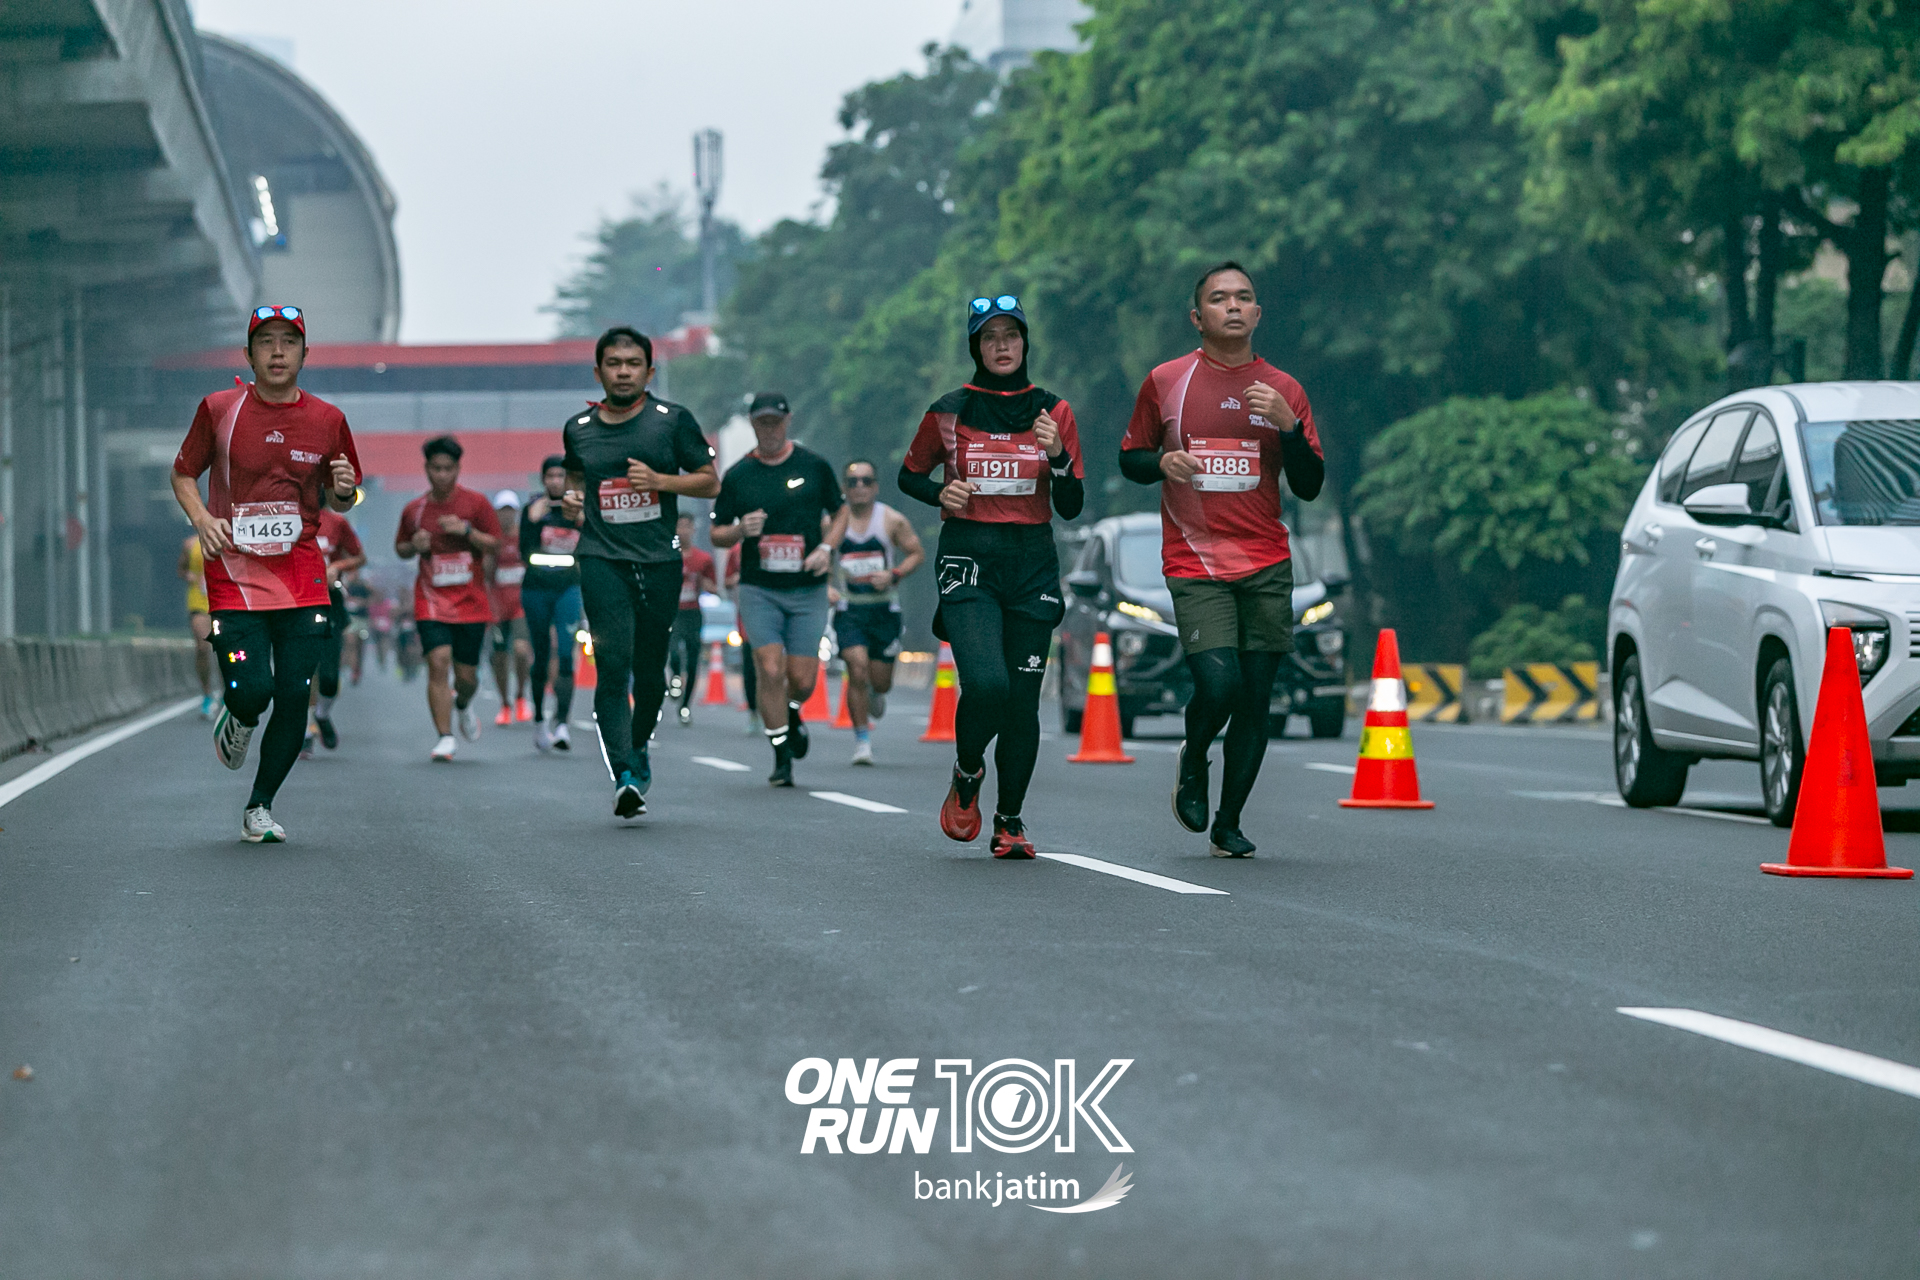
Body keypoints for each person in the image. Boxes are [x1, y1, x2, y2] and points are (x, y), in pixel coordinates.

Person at [1119, 261, 1325, 858]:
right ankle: (1195, 753)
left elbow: (1310, 485)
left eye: (1243, 297)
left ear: (1257, 314)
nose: (1232, 306)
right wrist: (1162, 462)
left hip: (1266, 561)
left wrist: (1289, 429)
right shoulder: (1166, 381)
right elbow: (1131, 457)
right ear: (1197, 317)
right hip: (1196, 561)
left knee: (1256, 698)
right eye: (1219, 298)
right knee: (1220, 682)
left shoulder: (1285, 391)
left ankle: (1228, 822)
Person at [169, 303, 361, 842]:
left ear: (305, 353)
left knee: (295, 693)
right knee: (251, 688)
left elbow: (342, 499)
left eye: (289, 342)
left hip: (303, 579)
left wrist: (344, 491)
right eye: (266, 342)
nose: (278, 352)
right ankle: (239, 714)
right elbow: (183, 473)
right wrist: (203, 519)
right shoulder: (219, 409)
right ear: (249, 354)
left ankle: (260, 805)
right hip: (235, 578)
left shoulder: (328, 420)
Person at [898, 296, 1083, 858]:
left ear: (1025, 343)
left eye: (1011, 335)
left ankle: (1010, 820)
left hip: (1032, 563)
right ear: (975, 347)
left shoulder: (1054, 411)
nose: (1002, 346)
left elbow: (1072, 505)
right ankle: (967, 769)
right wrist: (940, 492)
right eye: (989, 337)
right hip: (968, 559)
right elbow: (909, 476)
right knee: (988, 686)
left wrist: (1058, 457)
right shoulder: (949, 410)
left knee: (1022, 703)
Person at [559, 326, 719, 818]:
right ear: (598, 372)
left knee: (651, 673)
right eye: (614, 364)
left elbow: (710, 482)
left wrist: (660, 481)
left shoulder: (671, 422)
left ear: (648, 372)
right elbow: (575, 477)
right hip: (601, 557)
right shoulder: (579, 428)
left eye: (632, 364)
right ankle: (625, 773)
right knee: (612, 663)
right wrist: (572, 500)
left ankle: (639, 744)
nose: (623, 372)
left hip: (660, 561)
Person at [710, 393, 848, 787]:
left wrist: (826, 549)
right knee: (769, 668)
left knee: (803, 680)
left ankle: (791, 711)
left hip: (807, 588)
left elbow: (840, 511)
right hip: (760, 588)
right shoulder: (739, 474)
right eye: (762, 422)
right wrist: (740, 529)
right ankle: (780, 753)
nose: (769, 429)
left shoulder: (813, 465)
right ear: (753, 424)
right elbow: (717, 533)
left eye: (775, 422)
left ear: (788, 422)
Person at [395, 436, 502, 761]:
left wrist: (467, 531)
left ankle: (463, 703)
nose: (442, 475)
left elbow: (496, 544)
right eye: (436, 468)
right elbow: (401, 548)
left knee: (466, 677)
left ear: (457, 469)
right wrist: (415, 545)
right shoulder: (415, 509)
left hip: (471, 603)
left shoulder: (476, 504)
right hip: (432, 600)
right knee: (438, 662)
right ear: (427, 469)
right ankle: (445, 737)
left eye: (448, 469)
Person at [831, 459, 924, 764]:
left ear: (876, 487)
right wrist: (827, 587)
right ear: (845, 488)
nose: (860, 487)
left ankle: (876, 692)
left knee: (880, 681)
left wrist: (894, 574)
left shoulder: (891, 520)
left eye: (866, 481)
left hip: (884, 610)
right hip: (850, 610)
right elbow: (820, 556)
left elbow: (916, 553)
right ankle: (862, 741)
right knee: (856, 669)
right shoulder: (834, 522)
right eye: (853, 481)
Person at [520, 455, 584, 752]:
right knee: (542, 654)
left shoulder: (578, 508)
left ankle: (562, 723)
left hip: (568, 589)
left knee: (566, 653)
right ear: (543, 479)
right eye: (551, 476)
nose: (556, 481)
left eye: (561, 476)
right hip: (536, 589)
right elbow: (523, 549)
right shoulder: (533, 510)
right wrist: (534, 520)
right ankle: (538, 721)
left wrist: (581, 515)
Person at [309, 506, 366, 752]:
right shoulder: (281, 514)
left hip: (329, 601)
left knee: (329, 677)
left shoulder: (336, 522)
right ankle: (304, 730)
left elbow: (360, 557)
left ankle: (322, 714)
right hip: (293, 601)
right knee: (300, 668)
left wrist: (337, 566)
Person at [486, 489, 534, 726]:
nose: (506, 516)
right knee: (499, 656)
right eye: (502, 511)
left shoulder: (524, 536)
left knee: (522, 650)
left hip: (521, 605)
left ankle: (521, 697)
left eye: (510, 511)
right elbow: (486, 575)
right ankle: (505, 704)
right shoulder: (492, 539)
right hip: (498, 606)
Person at [668, 512, 716, 726]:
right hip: (672, 612)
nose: (683, 531)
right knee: (673, 652)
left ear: (694, 529)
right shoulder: (668, 555)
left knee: (693, 658)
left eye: (687, 526)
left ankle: (685, 705)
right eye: (679, 526)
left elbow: (714, 587)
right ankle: (675, 678)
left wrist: (704, 585)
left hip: (693, 613)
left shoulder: (703, 559)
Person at [178, 532, 217, 718]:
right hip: (199, 601)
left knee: (228, 651)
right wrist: (189, 575)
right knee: (202, 647)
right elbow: (181, 570)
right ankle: (207, 694)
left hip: (224, 600)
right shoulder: (190, 544)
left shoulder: (233, 538)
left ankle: (229, 694)